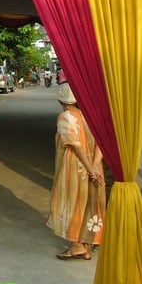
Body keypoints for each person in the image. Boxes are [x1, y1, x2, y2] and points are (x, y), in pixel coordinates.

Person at [46, 82, 106, 260]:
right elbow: (102, 143)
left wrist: (89, 168)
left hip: (74, 167)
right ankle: (86, 245)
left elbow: (75, 146)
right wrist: (95, 166)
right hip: (95, 167)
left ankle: (77, 246)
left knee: (72, 204)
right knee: (90, 203)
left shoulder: (64, 117)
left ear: (61, 101)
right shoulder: (90, 116)